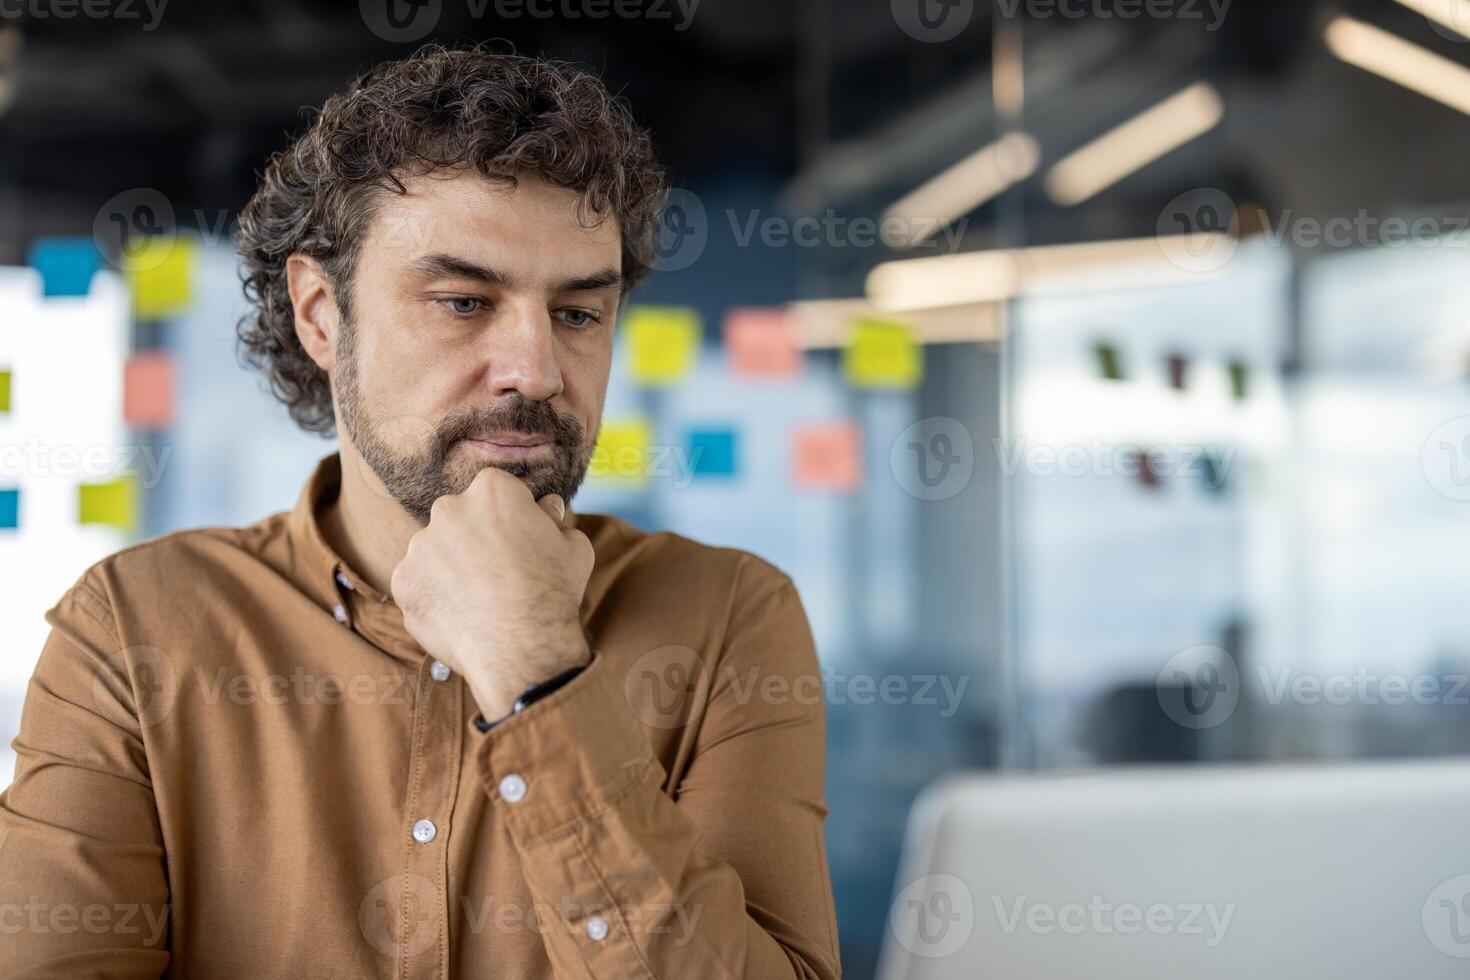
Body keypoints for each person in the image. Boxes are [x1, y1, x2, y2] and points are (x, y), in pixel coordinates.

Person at [0, 45, 839, 979]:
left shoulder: (727, 616)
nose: (536, 369)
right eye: (462, 300)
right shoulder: (133, 628)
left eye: (577, 313)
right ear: (321, 316)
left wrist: (538, 676)